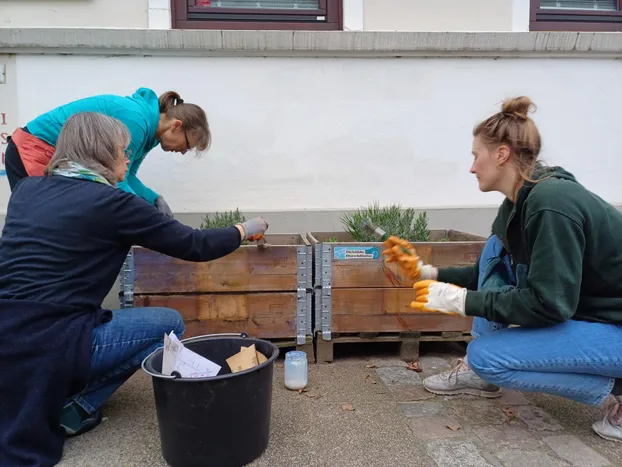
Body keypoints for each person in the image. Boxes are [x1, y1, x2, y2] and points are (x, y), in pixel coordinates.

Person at [0, 112, 268, 466]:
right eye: (122, 150)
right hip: (53, 340)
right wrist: (245, 228)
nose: (128, 158)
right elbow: (195, 246)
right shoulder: (113, 204)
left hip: (7, 331)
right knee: (168, 323)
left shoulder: (27, 191)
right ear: (101, 152)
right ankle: (75, 407)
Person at [383, 96, 622, 443]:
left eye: (475, 155)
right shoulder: (518, 203)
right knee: (498, 245)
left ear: (501, 154)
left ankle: (617, 390)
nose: (471, 167)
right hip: (593, 317)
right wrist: (427, 273)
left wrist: (460, 302)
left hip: (614, 327)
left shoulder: (551, 205)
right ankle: (482, 379)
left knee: (488, 357)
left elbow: (550, 305)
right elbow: (489, 272)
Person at [4, 87, 210, 217]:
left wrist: (154, 199)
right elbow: (115, 181)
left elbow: (125, 176)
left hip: (50, 156)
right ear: (176, 126)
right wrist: (145, 214)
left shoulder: (150, 134)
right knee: (46, 224)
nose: (183, 152)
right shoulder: (137, 122)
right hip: (33, 150)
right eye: (188, 144)